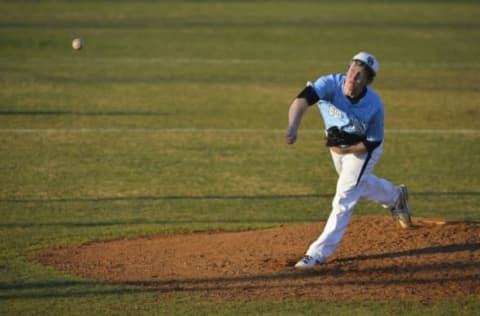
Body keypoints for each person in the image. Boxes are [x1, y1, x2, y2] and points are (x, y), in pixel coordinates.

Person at [286, 52, 413, 269]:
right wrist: (293, 126)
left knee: (345, 195)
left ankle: (317, 253)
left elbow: (373, 142)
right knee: (356, 185)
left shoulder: (374, 105)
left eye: (359, 77)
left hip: (363, 150)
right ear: (347, 70)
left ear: (368, 81)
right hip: (338, 148)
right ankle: (395, 196)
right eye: (351, 73)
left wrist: (346, 150)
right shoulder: (329, 84)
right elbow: (301, 100)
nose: (352, 80)